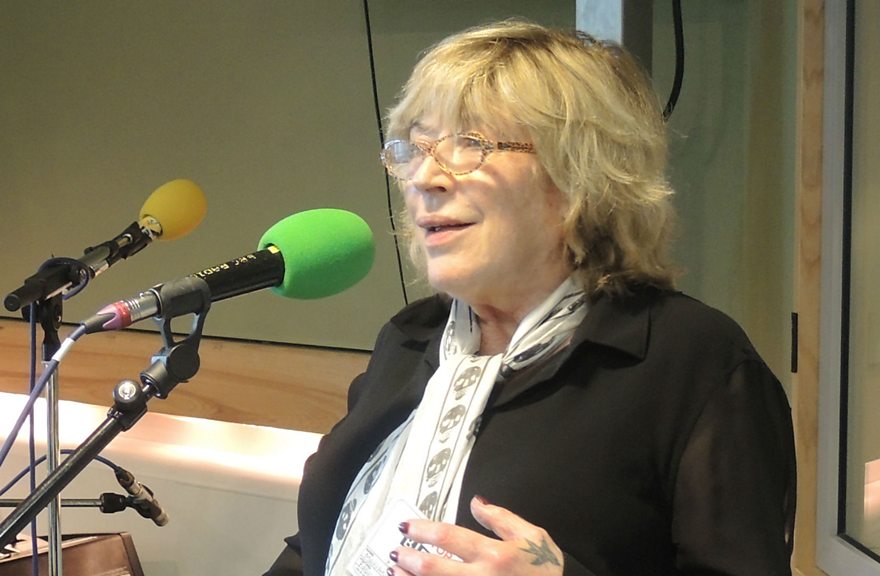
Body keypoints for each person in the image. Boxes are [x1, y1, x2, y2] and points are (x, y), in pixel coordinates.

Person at [265, 19, 795, 576]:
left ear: (576, 173)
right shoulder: (409, 338)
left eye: (470, 144)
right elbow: (316, 546)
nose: (424, 177)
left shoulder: (690, 360)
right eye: (415, 148)